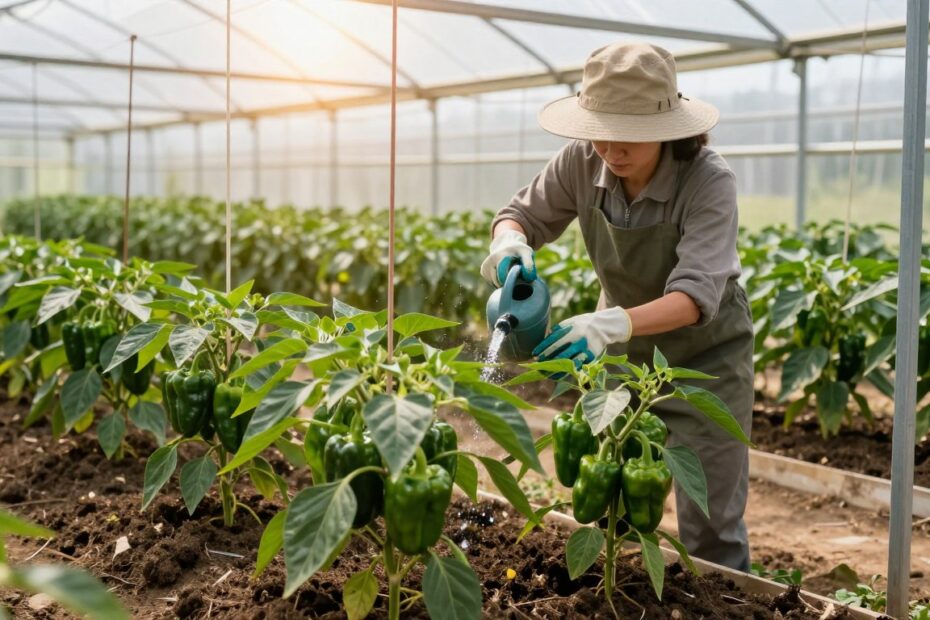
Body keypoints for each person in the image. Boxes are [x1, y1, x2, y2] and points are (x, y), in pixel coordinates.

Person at [480, 42, 754, 572]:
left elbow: (697, 296)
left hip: (706, 363)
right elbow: (519, 214)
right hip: (621, 356)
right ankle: (619, 595)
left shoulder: (707, 179)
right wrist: (509, 244)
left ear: (668, 128)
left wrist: (612, 322)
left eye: (628, 135)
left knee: (710, 518)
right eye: (599, 130)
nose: (610, 148)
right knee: (614, 503)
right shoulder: (583, 160)